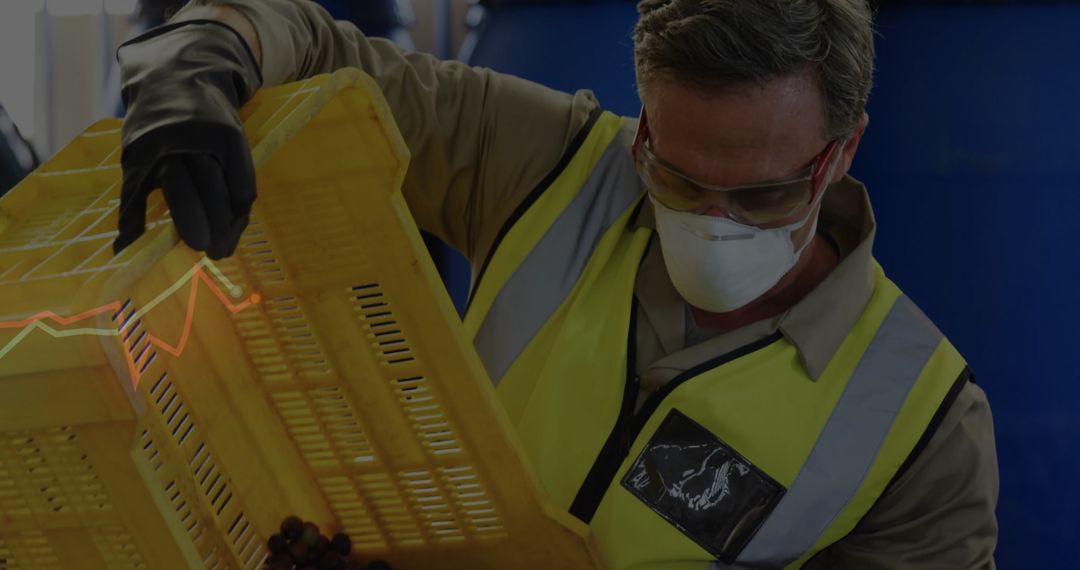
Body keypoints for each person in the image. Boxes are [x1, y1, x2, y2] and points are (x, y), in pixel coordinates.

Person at [112, 0, 999, 567]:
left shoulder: (918, 428)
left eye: (764, 192)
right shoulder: (552, 169)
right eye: (678, 176)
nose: (713, 220)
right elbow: (319, 52)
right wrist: (196, 56)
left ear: (841, 153)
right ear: (644, 117)